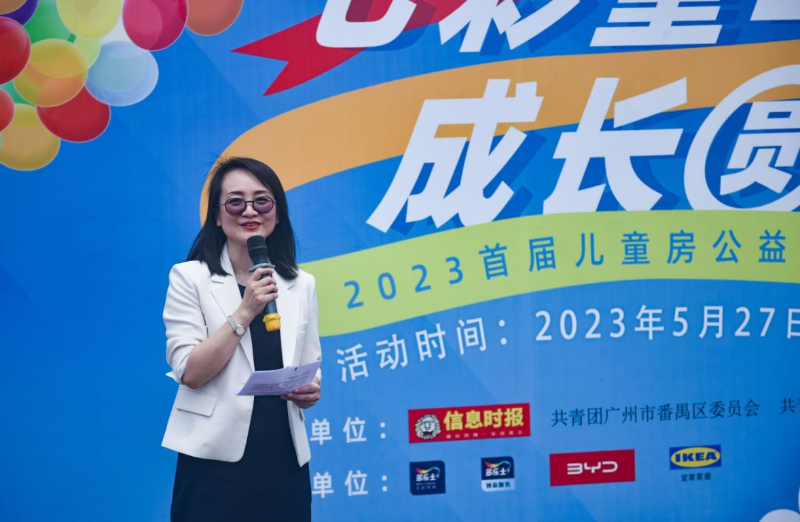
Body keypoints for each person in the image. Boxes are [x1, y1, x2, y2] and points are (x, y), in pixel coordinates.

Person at [162, 157, 321, 522]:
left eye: (261, 201)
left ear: (277, 213)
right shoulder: (189, 278)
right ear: (217, 216)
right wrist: (245, 311)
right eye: (235, 202)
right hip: (213, 459)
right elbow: (190, 372)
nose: (250, 211)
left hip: (283, 455)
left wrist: (311, 389)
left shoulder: (301, 283)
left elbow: (310, 363)